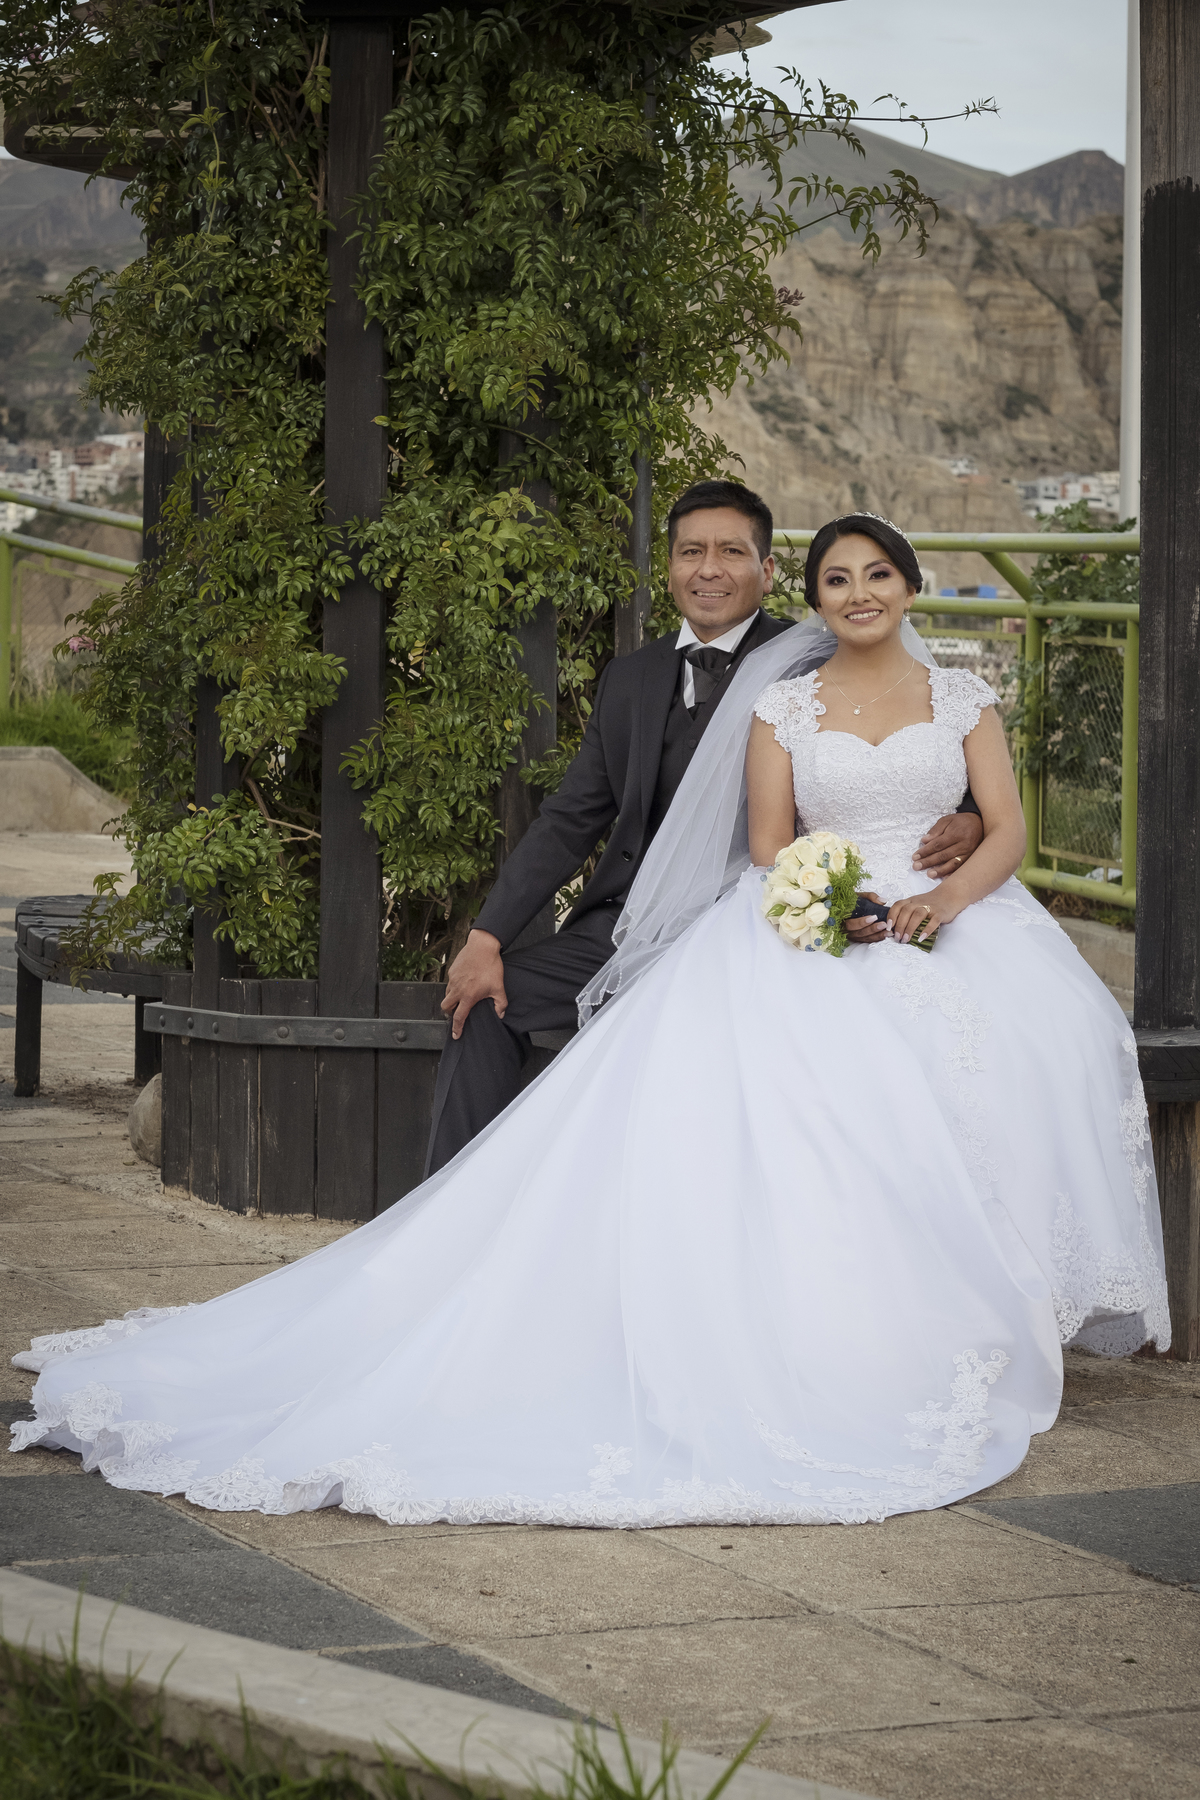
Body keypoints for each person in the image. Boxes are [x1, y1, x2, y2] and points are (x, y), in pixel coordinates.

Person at [10, 512, 1168, 1529]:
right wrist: (501, 933)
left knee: (1010, 1055)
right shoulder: (737, 694)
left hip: (918, 914)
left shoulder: (930, 684)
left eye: (873, 575)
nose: (856, 593)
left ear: (887, 584)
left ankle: (944, 1323)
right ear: (793, 592)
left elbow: (988, 814)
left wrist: (945, 881)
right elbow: (686, 831)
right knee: (548, 1025)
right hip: (762, 915)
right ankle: (472, 1245)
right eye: (837, 579)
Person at [426, 481, 983, 1172]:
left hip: (764, 927)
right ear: (669, 568)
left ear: (768, 571)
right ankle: (451, 1204)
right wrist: (486, 937)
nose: (709, 569)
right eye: (691, 552)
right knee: (481, 1002)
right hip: (631, 925)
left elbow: (918, 749)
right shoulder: (630, 678)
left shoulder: (819, 661)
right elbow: (569, 819)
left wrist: (971, 817)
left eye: (731, 552)